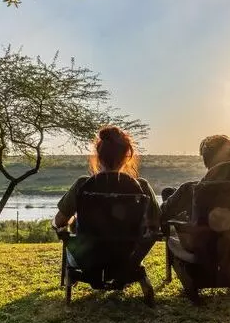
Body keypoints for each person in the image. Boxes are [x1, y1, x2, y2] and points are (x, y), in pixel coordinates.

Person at [54, 126, 160, 304]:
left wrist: (72, 222)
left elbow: (59, 221)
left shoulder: (83, 185)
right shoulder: (141, 186)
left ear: (98, 155)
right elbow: (156, 224)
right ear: (127, 155)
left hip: (88, 259)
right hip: (127, 257)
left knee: (69, 230)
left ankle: (71, 276)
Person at [160, 134, 230, 224]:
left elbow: (160, 215)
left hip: (199, 244)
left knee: (168, 194)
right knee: (171, 195)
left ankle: (173, 200)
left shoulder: (191, 189)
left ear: (206, 159)